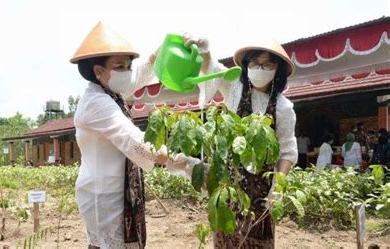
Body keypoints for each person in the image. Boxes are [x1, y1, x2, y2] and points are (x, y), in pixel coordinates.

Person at [70, 22, 201, 249]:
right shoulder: (97, 102)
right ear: (99, 71)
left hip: (115, 191)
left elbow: (138, 77)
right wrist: (183, 164)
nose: (127, 71)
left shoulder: (110, 91)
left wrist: (163, 49)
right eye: (120, 66)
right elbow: (136, 143)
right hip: (104, 196)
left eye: (128, 65)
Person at [191, 36, 298, 248]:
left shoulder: (283, 108)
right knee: (226, 236)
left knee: (256, 238)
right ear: (246, 65)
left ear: (278, 70)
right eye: (254, 62)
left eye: (268, 64)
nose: (260, 68)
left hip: (260, 190)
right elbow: (211, 67)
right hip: (229, 183)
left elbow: (287, 152)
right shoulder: (233, 88)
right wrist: (205, 50)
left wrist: (277, 189)